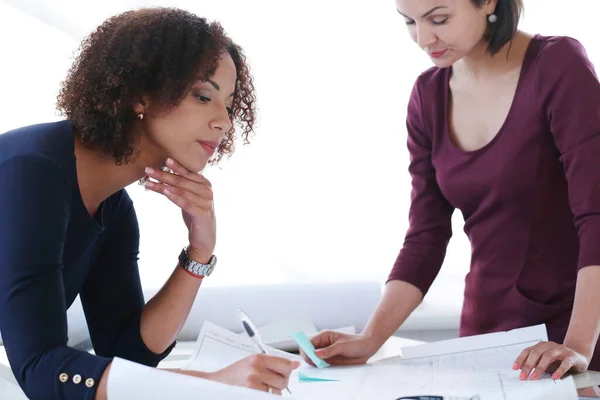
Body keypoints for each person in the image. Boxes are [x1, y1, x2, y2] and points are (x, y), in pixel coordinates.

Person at [0, 8, 298, 400]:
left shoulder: (113, 207)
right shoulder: (30, 173)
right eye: (203, 95)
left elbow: (127, 354)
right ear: (140, 93)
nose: (223, 121)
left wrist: (200, 251)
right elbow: (41, 372)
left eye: (228, 103)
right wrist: (213, 386)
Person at [304, 0, 600, 384]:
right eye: (409, 22)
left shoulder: (557, 64)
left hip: (574, 334)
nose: (424, 39)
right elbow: (425, 237)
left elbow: (595, 215)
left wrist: (577, 343)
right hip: (484, 338)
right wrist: (371, 337)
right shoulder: (428, 95)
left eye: (439, 19)